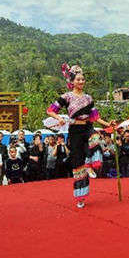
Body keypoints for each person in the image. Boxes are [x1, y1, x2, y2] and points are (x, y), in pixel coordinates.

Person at [47, 63, 115, 208]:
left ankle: (91, 162)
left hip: (87, 127)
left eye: (83, 79)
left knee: (96, 138)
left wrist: (108, 124)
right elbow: (50, 110)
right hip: (75, 132)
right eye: (78, 79)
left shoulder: (89, 98)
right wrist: (58, 118)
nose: (81, 82)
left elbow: (95, 117)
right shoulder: (66, 97)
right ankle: (81, 196)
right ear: (72, 82)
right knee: (78, 165)